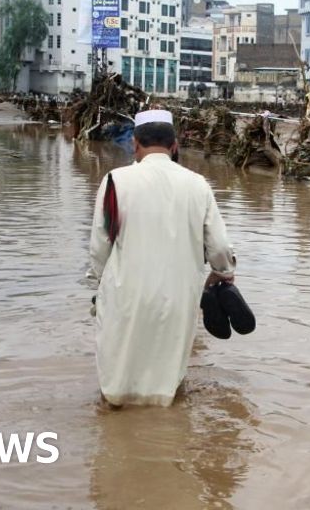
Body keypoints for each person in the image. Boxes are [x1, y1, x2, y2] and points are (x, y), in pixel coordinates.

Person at [87, 109, 236, 407]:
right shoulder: (198, 184)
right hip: (179, 295)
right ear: (174, 145)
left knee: (118, 368)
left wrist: (98, 286)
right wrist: (222, 273)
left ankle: (116, 419)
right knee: (168, 372)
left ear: (135, 143)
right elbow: (219, 247)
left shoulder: (116, 180)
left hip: (125, 291)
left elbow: (100, 245)